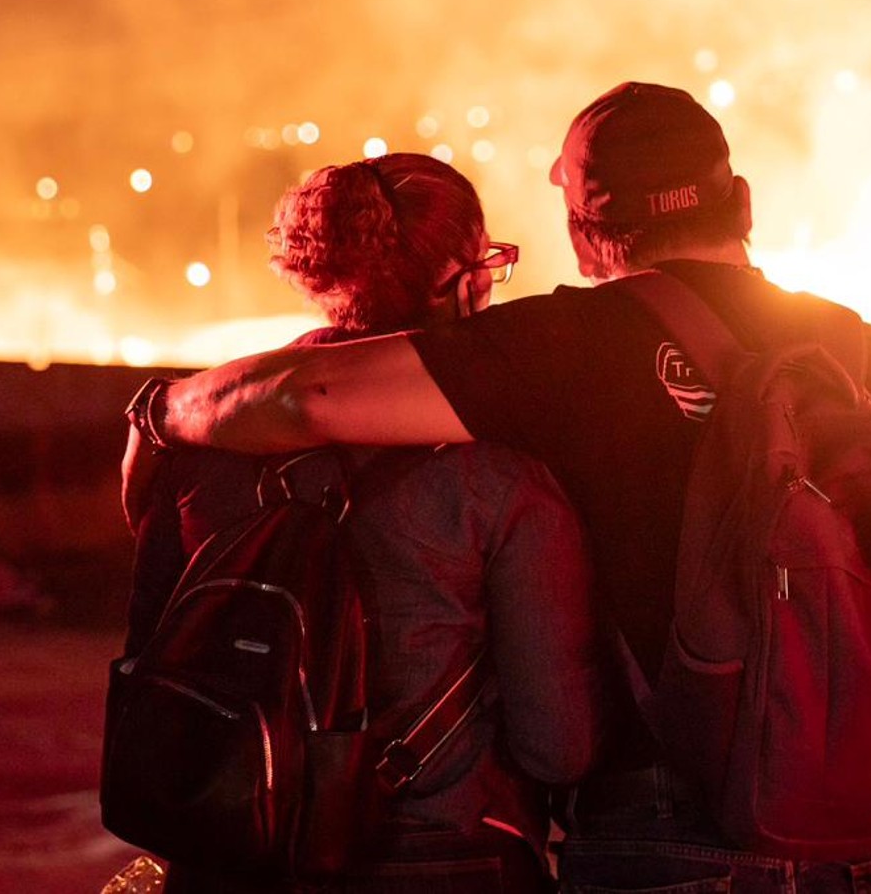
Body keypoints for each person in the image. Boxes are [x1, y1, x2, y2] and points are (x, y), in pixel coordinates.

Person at [124, 83, 871, 893]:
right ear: (742, 203)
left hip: (665, 835)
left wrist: (161, 412)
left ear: (585, 235)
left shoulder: (564, 346)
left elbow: (307, 397)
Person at [121, 154, 609, 893]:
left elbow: (153, 643)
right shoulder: (500, 479)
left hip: (234, 854)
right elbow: (559, 746)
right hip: (440, 862)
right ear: (459, 278)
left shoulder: (205, 435)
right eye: (489, 261)